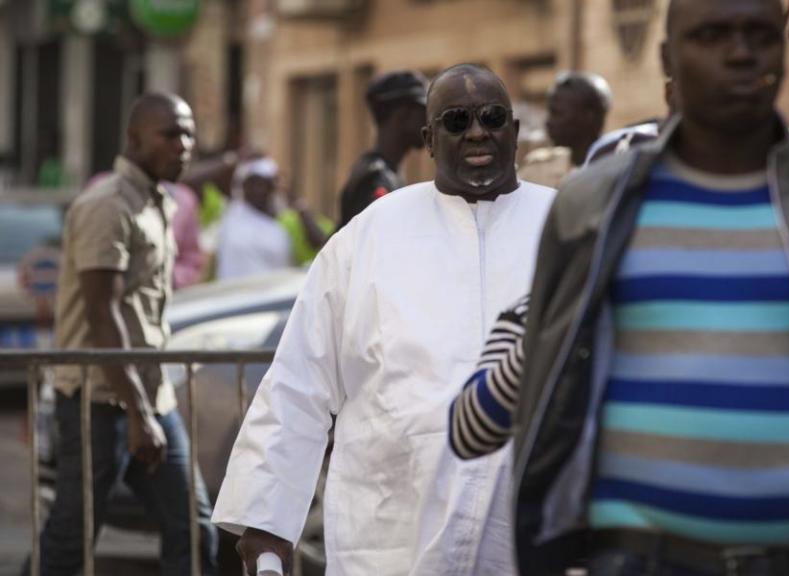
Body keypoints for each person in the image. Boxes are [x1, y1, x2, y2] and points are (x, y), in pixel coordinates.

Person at [510, 1, 789, 575]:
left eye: (760, 35)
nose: (741, 53)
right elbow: (544, 393)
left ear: (784, 50)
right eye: (713, 34)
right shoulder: (591, 210)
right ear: (668, 58)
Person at [211, 63, 556, 576]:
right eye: (457, 120)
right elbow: (299, 384)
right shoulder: (368, 237)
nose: (477, 131)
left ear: (516, 131)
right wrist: (267, 521)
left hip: (532, 533)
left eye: (492, 117)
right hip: (392, 537)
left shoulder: (565, 228)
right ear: (429, 139)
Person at [29, 93, 217, 575]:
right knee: (73, 533)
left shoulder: (160, 202)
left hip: (149, 397)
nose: (185, 145)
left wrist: (147, 407)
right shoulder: (106, 205)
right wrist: (138, 413)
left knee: (195, 528)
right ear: (134, 139)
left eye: (189, 133)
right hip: (98, 400)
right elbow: (101, 314)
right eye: (171, 134)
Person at [338, 70, 428, 228]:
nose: (429, 122)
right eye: (423, 113)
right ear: (403, 115)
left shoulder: (387, 173)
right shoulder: (375, 179)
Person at [519, 71, 612, 188]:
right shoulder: (537, 171)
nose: (548, 122)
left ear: (589, 116)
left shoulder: (619, 170)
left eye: (558, 113)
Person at [216, 157, 294, 280]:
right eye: (253, 183)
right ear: (244, 186)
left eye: (264, 184)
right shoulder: (230, 215)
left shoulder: (284, 226)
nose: (258, 190)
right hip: (230, 296)